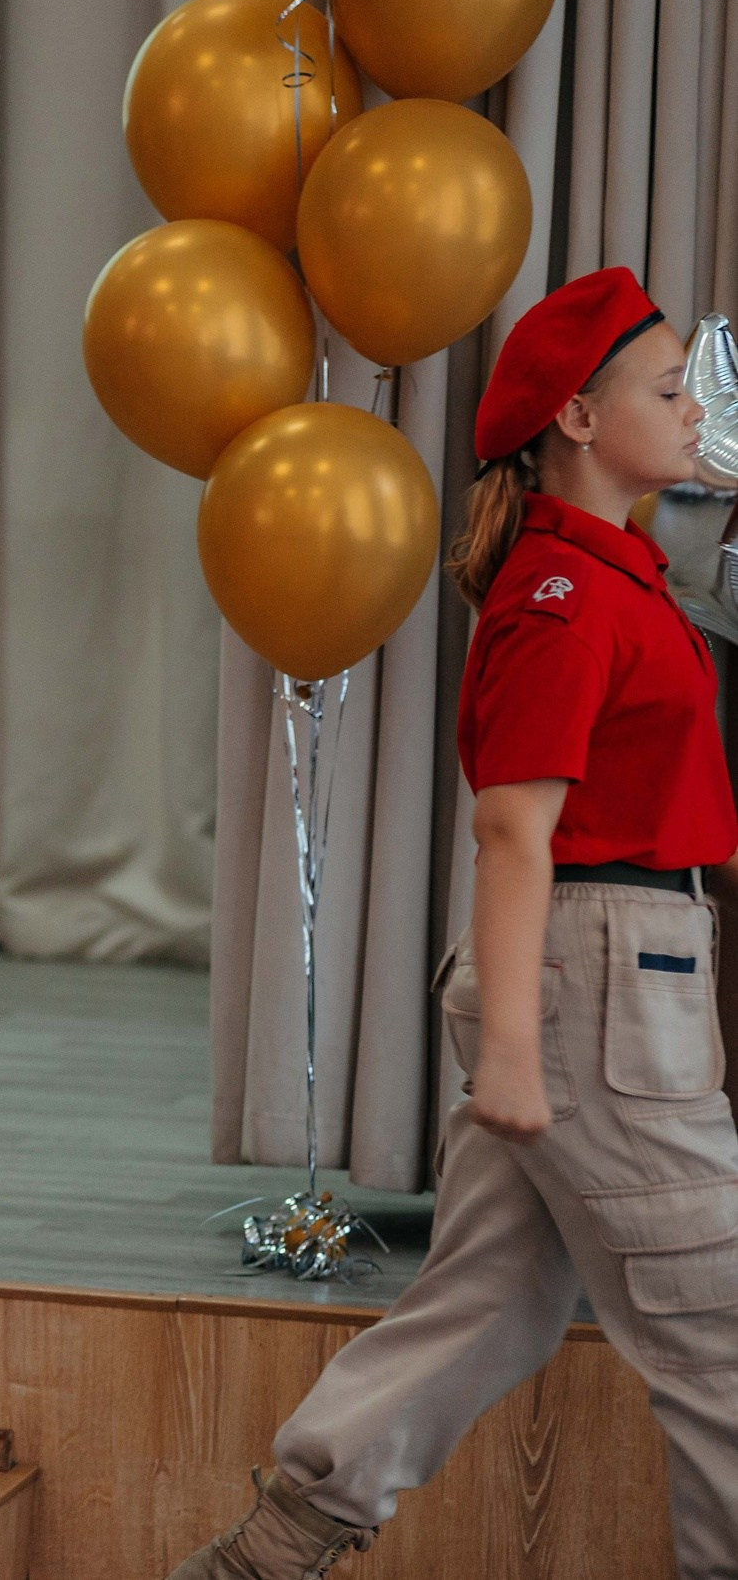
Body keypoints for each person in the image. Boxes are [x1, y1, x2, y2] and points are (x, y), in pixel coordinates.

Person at [167, 268, 738, 1578]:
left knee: (488, 1300)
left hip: (604, 970)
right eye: (665, 387)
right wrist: (518, 1051)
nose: (694, 404)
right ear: (580, 420)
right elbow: (511, 828)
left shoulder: (613, 577)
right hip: (596, 980)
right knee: (720, 1332)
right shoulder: (565, 594)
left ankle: (263, 1555)